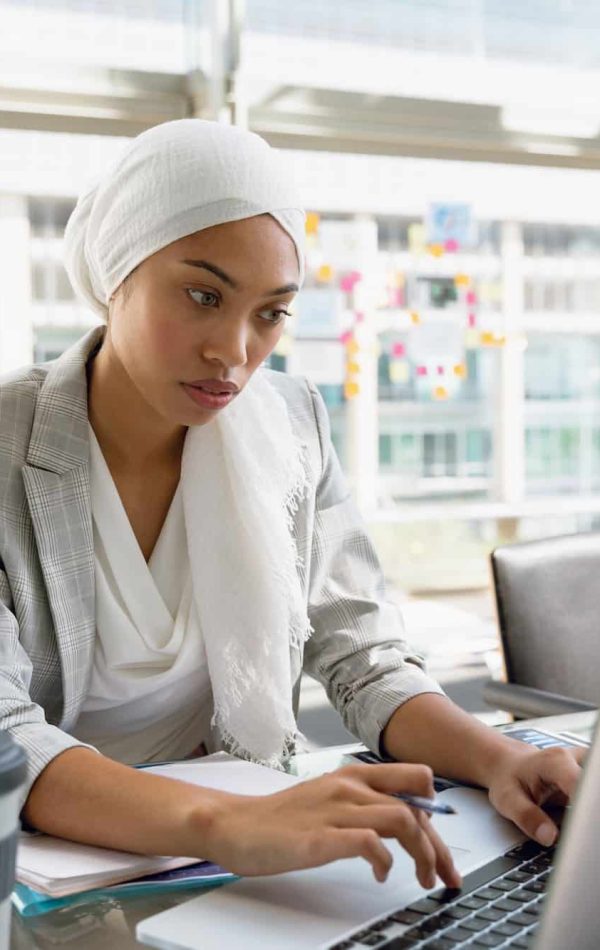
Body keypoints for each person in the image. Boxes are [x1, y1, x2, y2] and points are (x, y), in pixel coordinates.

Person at [0, 119, 582, 893]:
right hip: (54, 874)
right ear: (117, 273)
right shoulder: (10, 443)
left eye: (270, 312)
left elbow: (361, 655)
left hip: (227, 858)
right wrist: (223, 821)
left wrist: (501, 759)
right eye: (203, 295)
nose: (234, 352)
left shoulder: (290, 424)